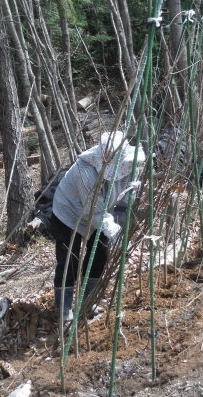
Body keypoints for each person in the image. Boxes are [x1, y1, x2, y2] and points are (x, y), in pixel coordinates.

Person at [50, 131, 145, 322]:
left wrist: (123, 223)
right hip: (70, 214)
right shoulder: (85, 172)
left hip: (101, 213)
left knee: (101, 253)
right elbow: (93, 213)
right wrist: (119, 238)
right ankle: (63, 309)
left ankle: (87, 302)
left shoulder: (129, 163)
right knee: (70, 260)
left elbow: (127, 195)